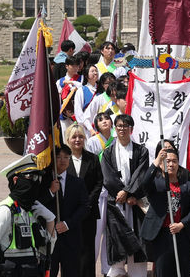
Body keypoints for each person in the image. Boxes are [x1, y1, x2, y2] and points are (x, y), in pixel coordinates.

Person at [0, 154, 56, 277]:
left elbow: (47, 250)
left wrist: (50, 219)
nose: (36, 182)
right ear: (15, 180)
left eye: (38, 178)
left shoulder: (32, 211)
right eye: (31, 177)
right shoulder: (5, 211)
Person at [101, 114, 149, 277]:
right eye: (119, 126)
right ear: (115, 128)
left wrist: (129, 192)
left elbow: (141, 174)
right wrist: (121, 193)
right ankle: (117, 269)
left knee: (137, 238)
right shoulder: (108, 153)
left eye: (125, 126)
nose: (122, 129)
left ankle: (138, 273)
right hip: (116, 202)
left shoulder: (141, 150)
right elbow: (108, 177)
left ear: (131, 129)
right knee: (118, 239)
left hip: (135, 202)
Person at [140, 148, 190, 277]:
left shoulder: (187, 185)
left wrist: (182, 224)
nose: (171, 164)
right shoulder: (156, 184)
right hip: (161, 234)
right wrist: (157, 160)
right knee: (163, 270)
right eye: (167, 161)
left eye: (174, 161)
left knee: (183, 270)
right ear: (162, 164)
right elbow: (144, 183)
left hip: (182, 234)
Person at [39, 145, 90, 277]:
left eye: (66, 157)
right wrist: (50, 192)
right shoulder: (44, 181)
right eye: (59, 157)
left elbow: (85, 207)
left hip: (72, 237)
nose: (62, 160)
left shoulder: (78, 182)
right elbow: (37, 204)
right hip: (50, 238)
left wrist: (67, 224)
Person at [65, 124, 103, 277]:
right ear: (68, 139)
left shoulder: (92, 159)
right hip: (70, 213)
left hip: (88, 212)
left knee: (88, 249)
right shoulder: (63, 159)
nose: (77, 140)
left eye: (80, 136)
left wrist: (86, 203)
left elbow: (99, 182)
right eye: (74, 137)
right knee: (71, 249)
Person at [85, 112, 115, 277]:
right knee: (96, 233)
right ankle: (90, 268)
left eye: (106, 118)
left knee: (111, 232)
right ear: (96, 124)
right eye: (100, 119)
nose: (104, 121)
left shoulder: (117, 140)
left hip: (113, 192)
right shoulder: (93, 142)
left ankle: (107, 268)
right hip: (99, 192)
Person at [74, 64, 99, 135]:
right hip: (87, 128)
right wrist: (89, 128)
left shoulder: (101, 90)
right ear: (86, 75)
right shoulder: (81, 90)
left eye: (96, 71)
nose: (95, 73)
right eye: (92, 71)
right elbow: (78, 111)